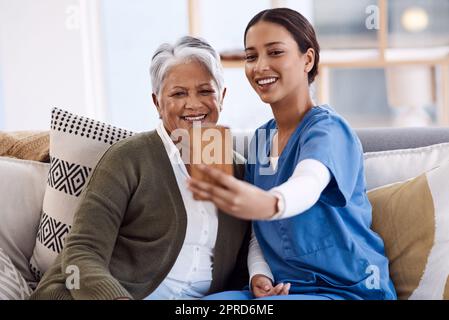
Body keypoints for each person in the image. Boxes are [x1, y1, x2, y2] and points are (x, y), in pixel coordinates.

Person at [188, 8, 397, 300]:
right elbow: (261, 233)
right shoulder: (261, 139)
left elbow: (307, 184)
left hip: (348, 290)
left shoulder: (327, 129)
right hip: (286, 291)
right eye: (251, 56)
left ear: (307, 59)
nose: (260, 66)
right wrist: (260, 274)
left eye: (275, 52)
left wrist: (269, 202)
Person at [29, 36, 250, 300]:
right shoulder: (127, 158)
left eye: (205, 91)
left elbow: (244, 260)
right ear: (157, 102)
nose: (193, 104)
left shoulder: (239, 170)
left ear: (222, 97)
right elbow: (81, 252)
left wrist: (261, 280)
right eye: (178, 93)